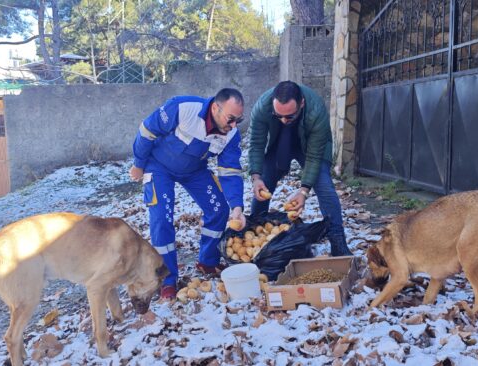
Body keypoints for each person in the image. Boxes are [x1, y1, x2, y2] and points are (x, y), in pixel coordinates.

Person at [129, 88, 247, 299]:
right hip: (159, 167)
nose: (234, 125)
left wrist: (237, 206)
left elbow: (230, 170)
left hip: (195, 170)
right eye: (231, 119)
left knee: (219, 209)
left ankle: (208, 261)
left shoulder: (231, 134)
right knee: (161, 218)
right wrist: (139, 164)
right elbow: (147, 130)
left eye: (239, 120)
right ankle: (166, 278)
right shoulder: (183, 108)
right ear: (215, 108)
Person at [248, 80, 352, 256]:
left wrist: (303, 191)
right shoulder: (262, 107)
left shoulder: (316, 110)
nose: (283, 120)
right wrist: (256, 177)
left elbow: (314, 156)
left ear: (302, 103)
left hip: (311, 147)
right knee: (264, 181)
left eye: (289, 116)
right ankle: (254, 234)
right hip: (279, 143)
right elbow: (256, 144)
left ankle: (338, 241)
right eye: (278, 115)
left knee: (325, 187)